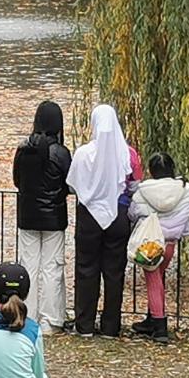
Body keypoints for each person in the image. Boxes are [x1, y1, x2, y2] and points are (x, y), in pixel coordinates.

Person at [68, 105, 142, 337]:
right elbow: (135, 186)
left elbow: (72, 184)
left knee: (85, 268)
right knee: (114, 271)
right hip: (118, 216)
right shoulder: (128, 154)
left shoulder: (83, 153)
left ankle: (85, 324)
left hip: (89, 215)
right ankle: (111, 326)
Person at [129, 152, 189, 343]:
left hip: (151, 244)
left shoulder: (143, 191)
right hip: (170, 244)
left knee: (154, 282)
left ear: (152, 171)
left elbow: (134, 212)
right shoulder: (185, 189)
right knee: (158, 279)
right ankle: (151, 319)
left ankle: (160, 326)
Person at [10, 101, 72, 331]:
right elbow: (70, 183)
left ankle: (28, 315)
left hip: (27, 215)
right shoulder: (61, 152)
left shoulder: (23, 149)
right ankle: (52, 319)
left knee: (29, 267)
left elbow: (17, 181)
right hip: (54, 218)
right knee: (52, 268)